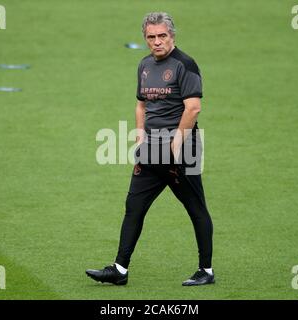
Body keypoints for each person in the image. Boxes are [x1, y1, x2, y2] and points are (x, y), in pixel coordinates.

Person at [86, 12, 214, 286]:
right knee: (134, 206)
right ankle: (119, 270)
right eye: (151, 37)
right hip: (152, 151)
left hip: (183, 151)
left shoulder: (185, 65)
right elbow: (141, 104)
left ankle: (206, 271)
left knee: (195, 208)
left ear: (172, 36)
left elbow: (193, 108)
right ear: (145, 39)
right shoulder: (144, 65)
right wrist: (141, 138)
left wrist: (176, 144)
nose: (157, 42)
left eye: (162, 36)